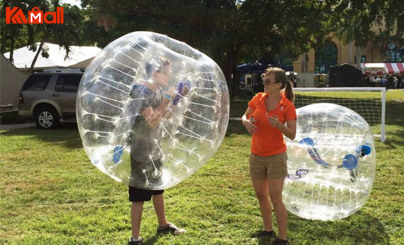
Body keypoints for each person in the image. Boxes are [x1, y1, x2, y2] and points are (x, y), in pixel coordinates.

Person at [127, 56, 186, 245]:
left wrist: (175, 100)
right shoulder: (140, 91)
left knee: (157, 189)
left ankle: (163, 224)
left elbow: (164, 116)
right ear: (155, 73)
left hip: (155, 147)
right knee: (139, 194)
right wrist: (167, 99)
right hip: (141, 150)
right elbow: (151, 120)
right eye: (166, 72)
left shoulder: (159, 90)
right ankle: (135, 238)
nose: (169, 75)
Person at [241, 67, 297, 245]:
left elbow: (292, 134)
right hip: (256, 154)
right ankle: (267, 229)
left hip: (275, 156)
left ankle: (282, 238)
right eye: (264, 79)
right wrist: (246, 123)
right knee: (261, 195)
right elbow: (244, 115)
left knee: (275, 198)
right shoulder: (258, 98)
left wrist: (280, 126)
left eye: (268, 81)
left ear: (279, 85)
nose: (264, 83)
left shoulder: (287, 105)